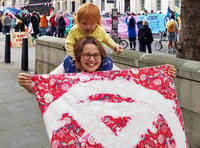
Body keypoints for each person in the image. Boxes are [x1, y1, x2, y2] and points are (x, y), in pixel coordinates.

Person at [18, 36, 111, 93]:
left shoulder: (111, 69)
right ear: (78, 56)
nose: (91, 60)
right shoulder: (68, 67)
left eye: (96, 55)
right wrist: (28, 85)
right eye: (87, 55)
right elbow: (43, 87)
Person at [63, 2, 123, 73]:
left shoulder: (100, 30)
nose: (88, 27)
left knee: (108, 61)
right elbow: (69, 44)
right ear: (78, 21)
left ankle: (102, 77)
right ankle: (73, 78)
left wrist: (115, 46)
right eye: (84, 23)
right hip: (77, 55)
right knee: (67, 61)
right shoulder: (75, 30)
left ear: (97, 22)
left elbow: (107, 40)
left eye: (91, 24)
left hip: (95, 56)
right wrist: (75, 59)